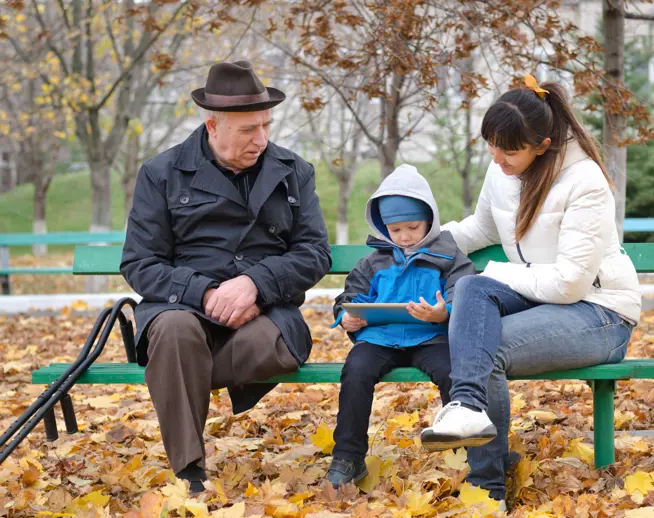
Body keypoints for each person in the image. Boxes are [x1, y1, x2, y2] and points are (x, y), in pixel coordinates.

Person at [420, 75, 642, 508]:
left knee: (488, 346)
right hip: (541, 293)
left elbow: (569, 283)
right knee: (471, 288)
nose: (496, 157)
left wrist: (502, 270)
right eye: (491, 144)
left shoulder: (586, 182)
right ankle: (467, 407)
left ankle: (488, 491)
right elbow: (481, 228)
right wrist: (421, 240)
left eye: (509, 150)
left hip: (599, 311)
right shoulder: (502, 169)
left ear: (542, 144)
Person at [120, 61, 331, 492]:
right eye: (248, 130)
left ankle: (179, 373)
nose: (261, 139)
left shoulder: (294, 171)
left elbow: (314, 253)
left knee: (270, 343)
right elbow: (140, 262)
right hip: (182, 307)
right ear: (213, 126)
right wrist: (204, 292)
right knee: (176, 333)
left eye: (265, 126)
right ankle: (190, 473)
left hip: (265, 314)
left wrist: (256, 284)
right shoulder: (161, 173)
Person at [326, 164, 476, 488]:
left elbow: (464, 289)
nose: (405, 236)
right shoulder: (374, 260)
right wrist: (347, 317)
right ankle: (348, 457)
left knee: (456, 372)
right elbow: (350, 295)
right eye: (396, 230)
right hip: (380, 338)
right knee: (356, 370)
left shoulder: (447, 254)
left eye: (413, 226)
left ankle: (468, 454)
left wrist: (444, 312)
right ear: (384, 227)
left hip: (431, 337)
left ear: (430, 221)